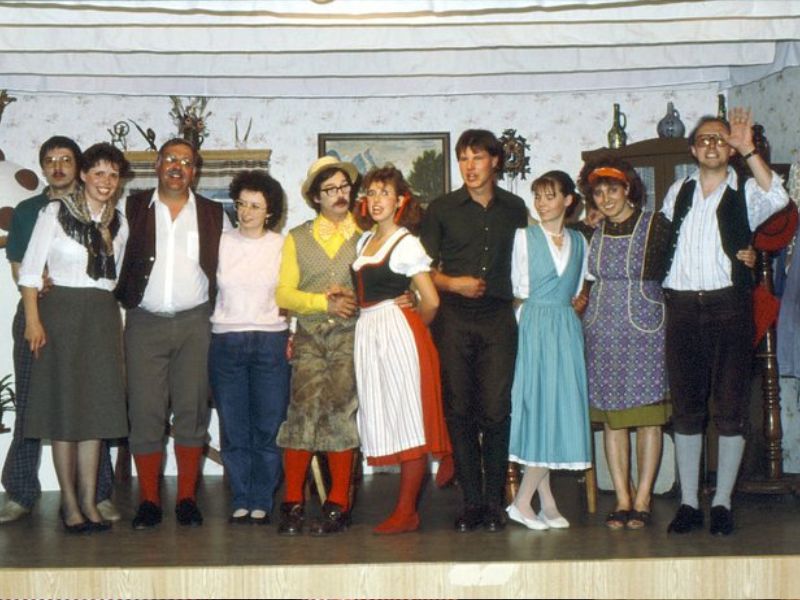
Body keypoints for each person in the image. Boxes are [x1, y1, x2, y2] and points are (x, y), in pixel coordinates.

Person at [662, 108, 789, 536]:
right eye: (705, 139)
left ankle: (721, 503)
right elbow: (664, 240)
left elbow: (779, 199)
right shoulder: (678, 190)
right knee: (686, 410)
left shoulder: (747, 190)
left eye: (720, 138)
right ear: (693, 150)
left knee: (731, 409)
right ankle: (688, 503)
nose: (712, 145)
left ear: (730, 148)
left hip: (729, 308)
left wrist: (749, 149)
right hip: (682, 309)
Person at [1, 136, 119, 525]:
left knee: (94, 410)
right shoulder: (37, 210)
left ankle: (95, 496)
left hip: (94, 319)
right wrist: (34, 317)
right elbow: (23, 268)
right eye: (50, 160)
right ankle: (29, 494)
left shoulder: (112, 218)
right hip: (46, 314)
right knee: (43, 406)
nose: (58, 166)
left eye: (65, 159)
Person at [115, 138, 229, 530]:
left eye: (186, 161)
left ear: (195, 171)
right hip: (144, 323)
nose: (178, 166)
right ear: (157, 164)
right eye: (171, 159)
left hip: (196, 324)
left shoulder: (214, 214)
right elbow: (104, 253)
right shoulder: (130, 208)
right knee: (144, 412)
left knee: (192, 410)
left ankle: (186, 499)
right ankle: (149, 500)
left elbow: (234, 267)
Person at [420, 129, 528, 532]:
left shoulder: (515, 208)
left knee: (497, 410)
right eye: (463, 158)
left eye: (477, 157)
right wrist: (453, 283)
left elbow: (535, 252)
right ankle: (471, 503)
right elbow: (421, 270)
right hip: (453, 319)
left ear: (495, 161)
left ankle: (495, 502)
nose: (469, 166)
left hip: (498, 318)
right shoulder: (442, 209)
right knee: (460, 409)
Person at [351, 165, 451, 534]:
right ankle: (405, 507)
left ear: (400, 201)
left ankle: (407, 511)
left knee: (408, 419)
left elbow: (432, 300)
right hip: (368, 331)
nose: (377, 200)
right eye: (372, 193)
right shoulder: (364, 241)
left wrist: (412, 326)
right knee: (386, 415)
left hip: (397, 332)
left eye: (385, 193)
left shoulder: (406, 243)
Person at [576, 158, 671, 530]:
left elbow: (671, 271)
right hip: (602, 329)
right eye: (598, 193)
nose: (606, 198)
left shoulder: (655, 225)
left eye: (612, 190)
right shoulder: (590, 231)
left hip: (645, 329)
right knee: (612, 421)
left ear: (628, 189)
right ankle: (622, 497)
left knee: (648, 418)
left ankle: (643, 498)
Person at [274, 156, 362, 536]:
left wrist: (355, 301)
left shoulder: (366, 235)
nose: (339, 195)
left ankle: (338, 502)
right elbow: (283, 294)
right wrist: (323, 304)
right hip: (310, 335)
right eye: (330, 189)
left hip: (351, 335)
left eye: (344, 187)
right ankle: (292, 502)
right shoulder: (297, 237)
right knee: (302, 412)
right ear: (315, 197)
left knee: (340, 412)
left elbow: (380, 286)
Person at [505, 170, 591, 530]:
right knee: (539, 410)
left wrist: (576, 304)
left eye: (549, 196)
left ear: (568, 201)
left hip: (566, 329)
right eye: (537, 196)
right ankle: (522, 502)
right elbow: (517, 288)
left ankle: (547, 502)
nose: (541, 203)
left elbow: (578, 287)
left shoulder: (580, 242)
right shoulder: (523, 238)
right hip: (535, 326)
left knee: (557, 410)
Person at [208, 170, 291, 525]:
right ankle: (241, 497)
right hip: (226, 340)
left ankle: (263, 499)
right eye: (241, 204)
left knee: (269, 425)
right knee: (233, 425)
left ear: (270, 211)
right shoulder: (220, 243)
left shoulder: (282, 245)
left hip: (270, 341)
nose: (246, 212)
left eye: (255, 206)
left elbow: (291, 292)